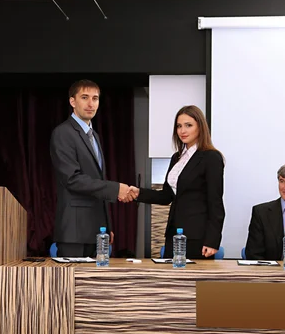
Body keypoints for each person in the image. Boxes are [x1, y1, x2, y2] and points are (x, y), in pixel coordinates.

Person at [50, 79, 133, 258]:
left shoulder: (93, 135)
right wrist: (116, 188)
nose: (90, 103)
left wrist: (106, 226)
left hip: (96, 232)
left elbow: (97, 181)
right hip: (74, 231)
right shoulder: (63, 133)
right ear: (72, 101)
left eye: (95, 98)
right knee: (71, 285)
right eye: (85, 97)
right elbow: (72, 179)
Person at [128, 105, 225, 259]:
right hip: (174, 233)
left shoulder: (211, 157)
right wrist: (139, 193)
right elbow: (167, 196)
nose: (182, 131)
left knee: (192, 282)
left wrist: (212, 240)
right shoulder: (177, 157)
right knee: (170, 282)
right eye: (179, 126)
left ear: (200, 127)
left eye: (188, 125)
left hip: (197, 236)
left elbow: (216, 202)